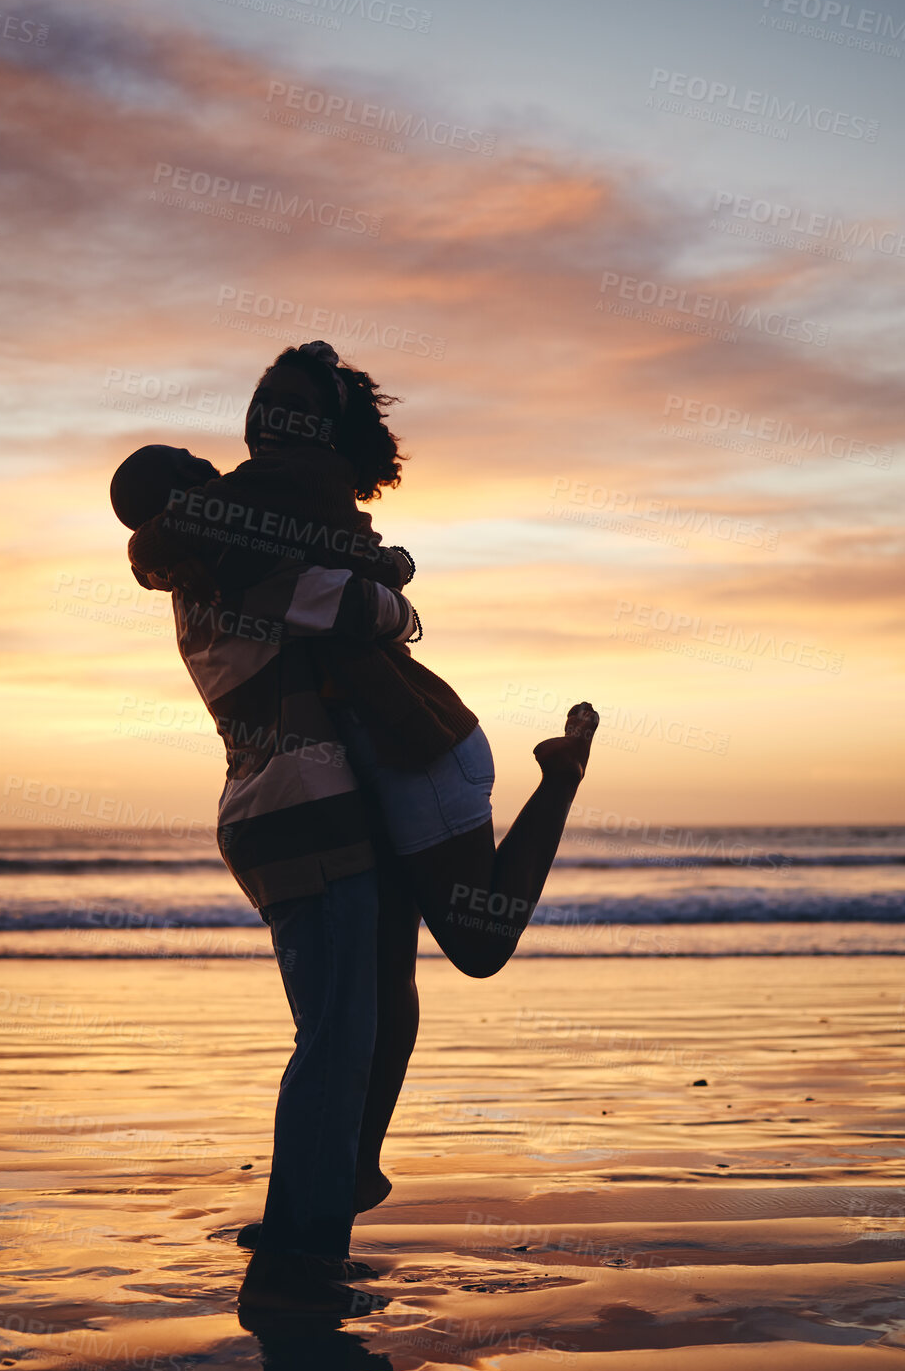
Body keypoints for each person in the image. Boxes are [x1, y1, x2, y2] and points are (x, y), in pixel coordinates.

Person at [120, 342, 598, 1311]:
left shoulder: (216, 558)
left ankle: (332, 1196)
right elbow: (363, 611)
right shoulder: (232, 570)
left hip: (295, 804)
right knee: (341, 1031)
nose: (227, 473)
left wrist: (372, 565)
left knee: (373, 997)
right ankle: (304, 1242)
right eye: (204, 474)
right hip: (303, 808)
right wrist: (388, 574)